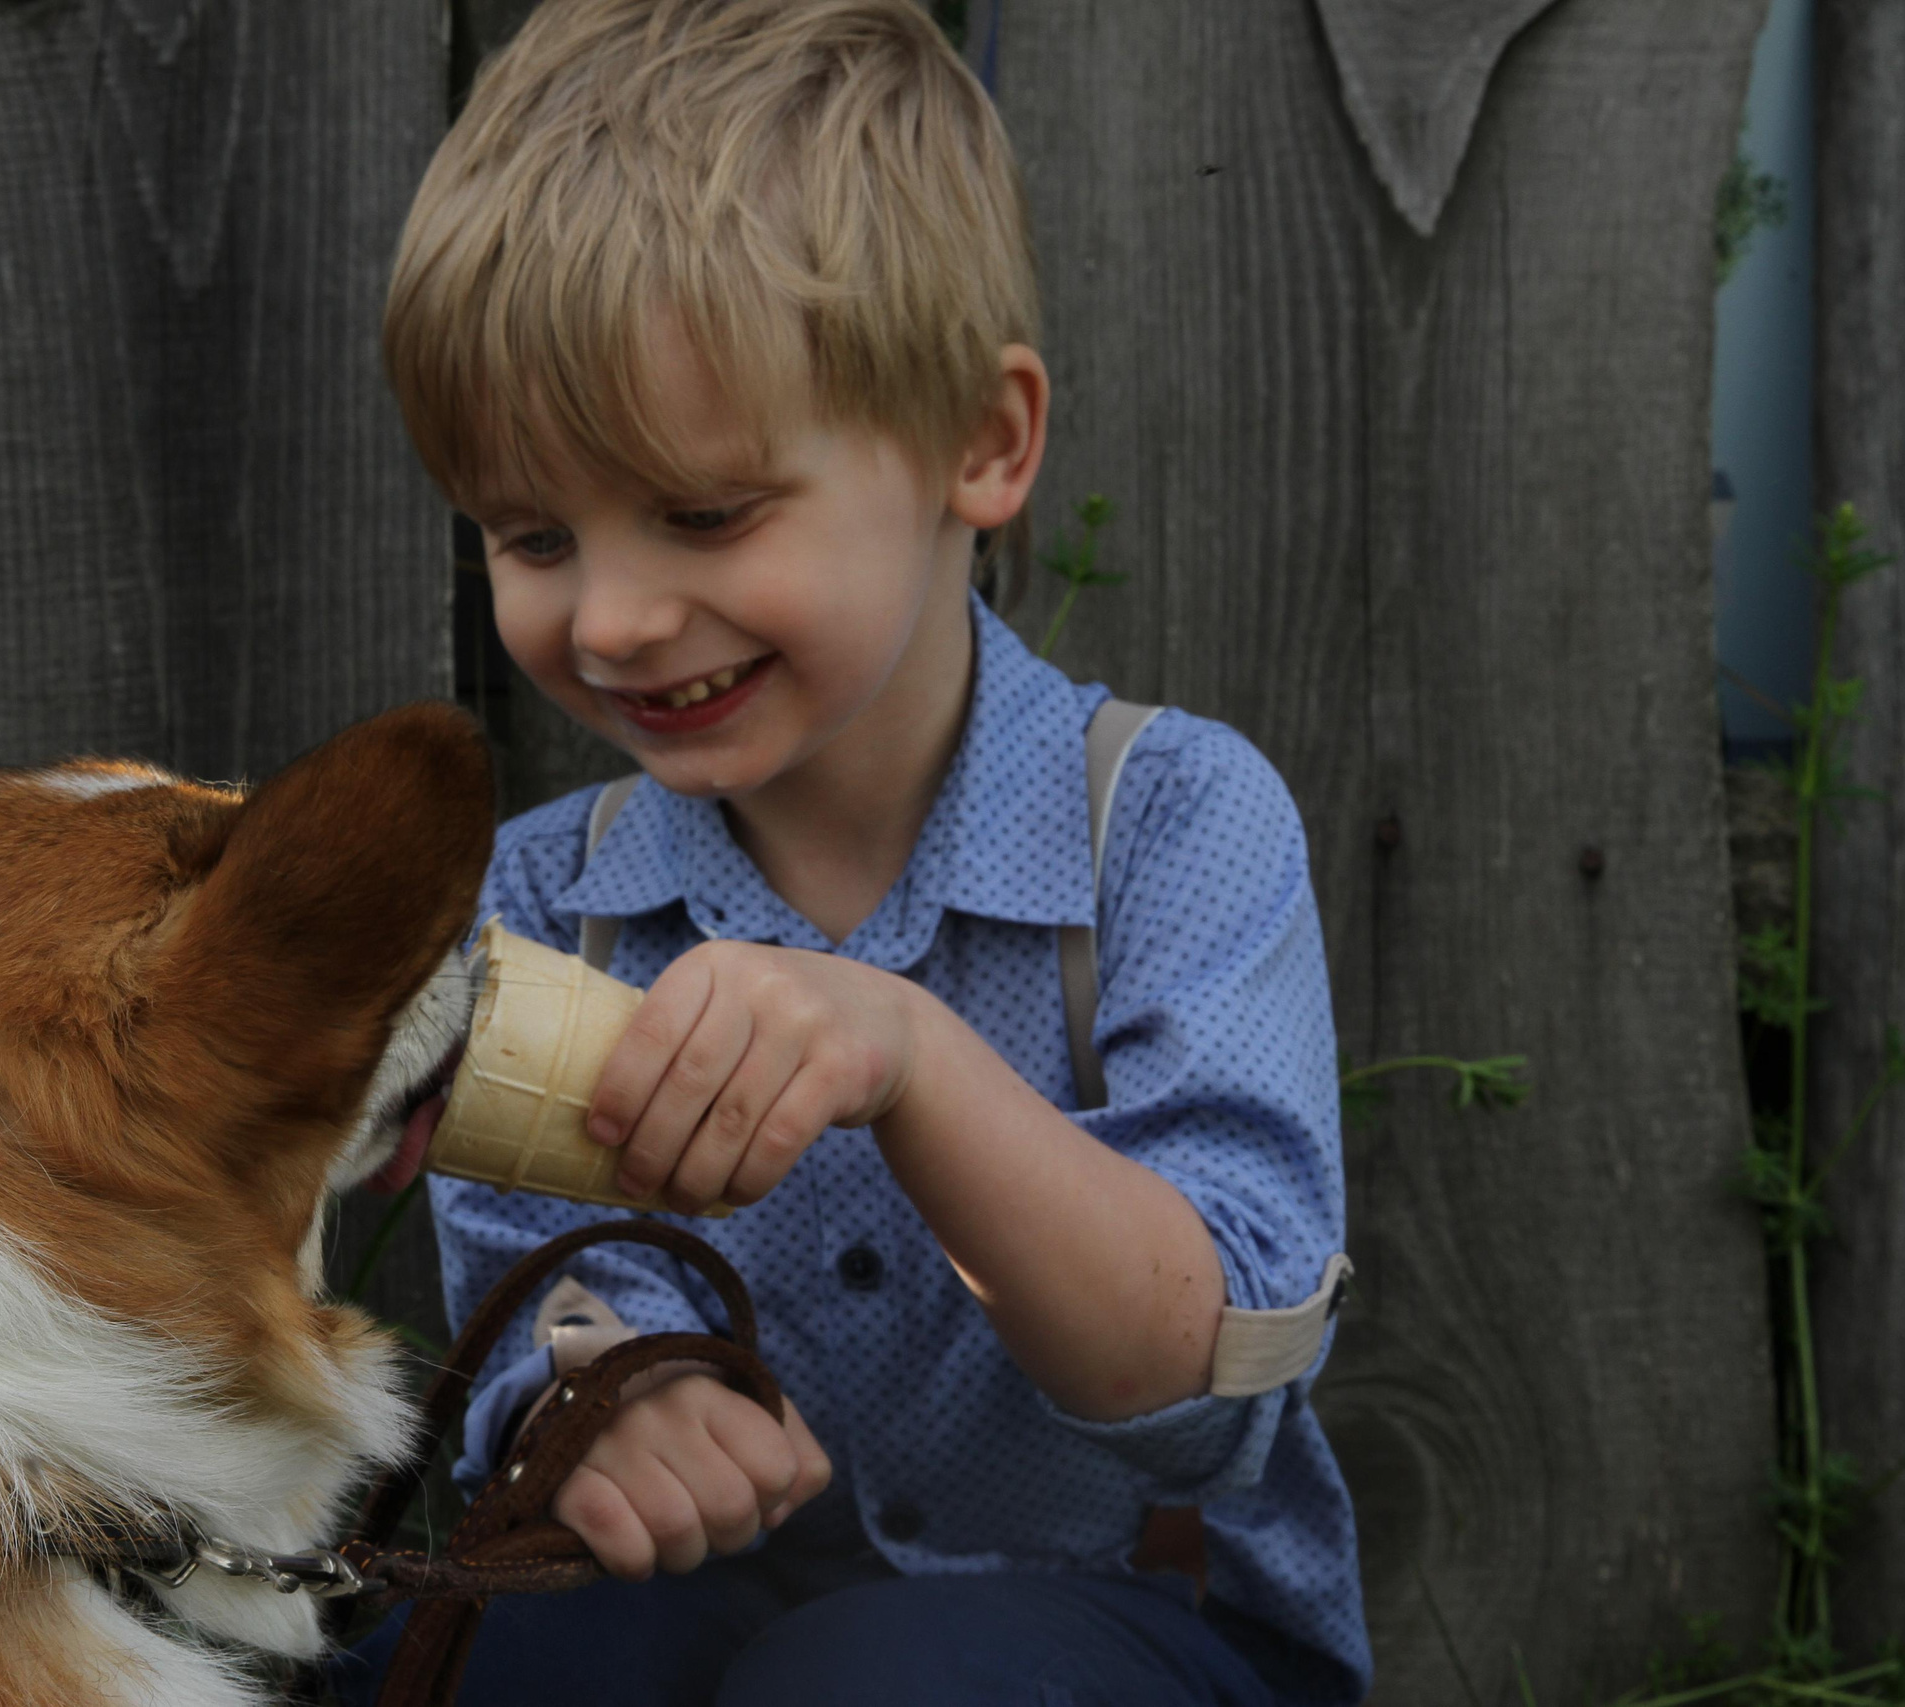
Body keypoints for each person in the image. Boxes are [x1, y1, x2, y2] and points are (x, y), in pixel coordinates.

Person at [335, 1, 1366, 1701]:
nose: (614, 617)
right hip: (706, 1600)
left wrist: (907, 1052)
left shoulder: (1170, 823)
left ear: (984, 441)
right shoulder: (535, 911)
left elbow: (1205, 1380)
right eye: (533, 535)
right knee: (521, 1662)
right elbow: (542, 1317)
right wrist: (619, 1398)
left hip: (1134, 1629)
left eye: (707, 513)